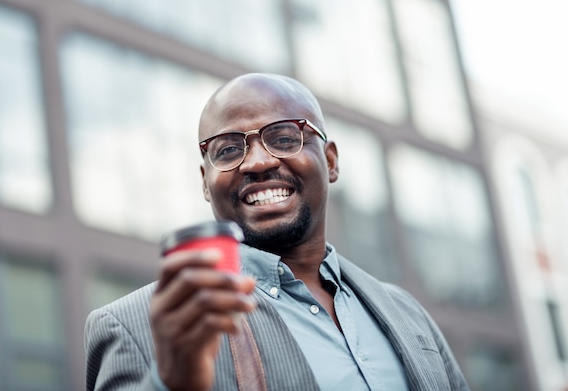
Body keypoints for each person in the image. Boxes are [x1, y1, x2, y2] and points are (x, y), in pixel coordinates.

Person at [85, 73, 470, 391]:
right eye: (228, 149)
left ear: (331, 161)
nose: (258, 161)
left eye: (285, 138)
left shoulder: (407, 313)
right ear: (205, 182)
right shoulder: (136, 326)